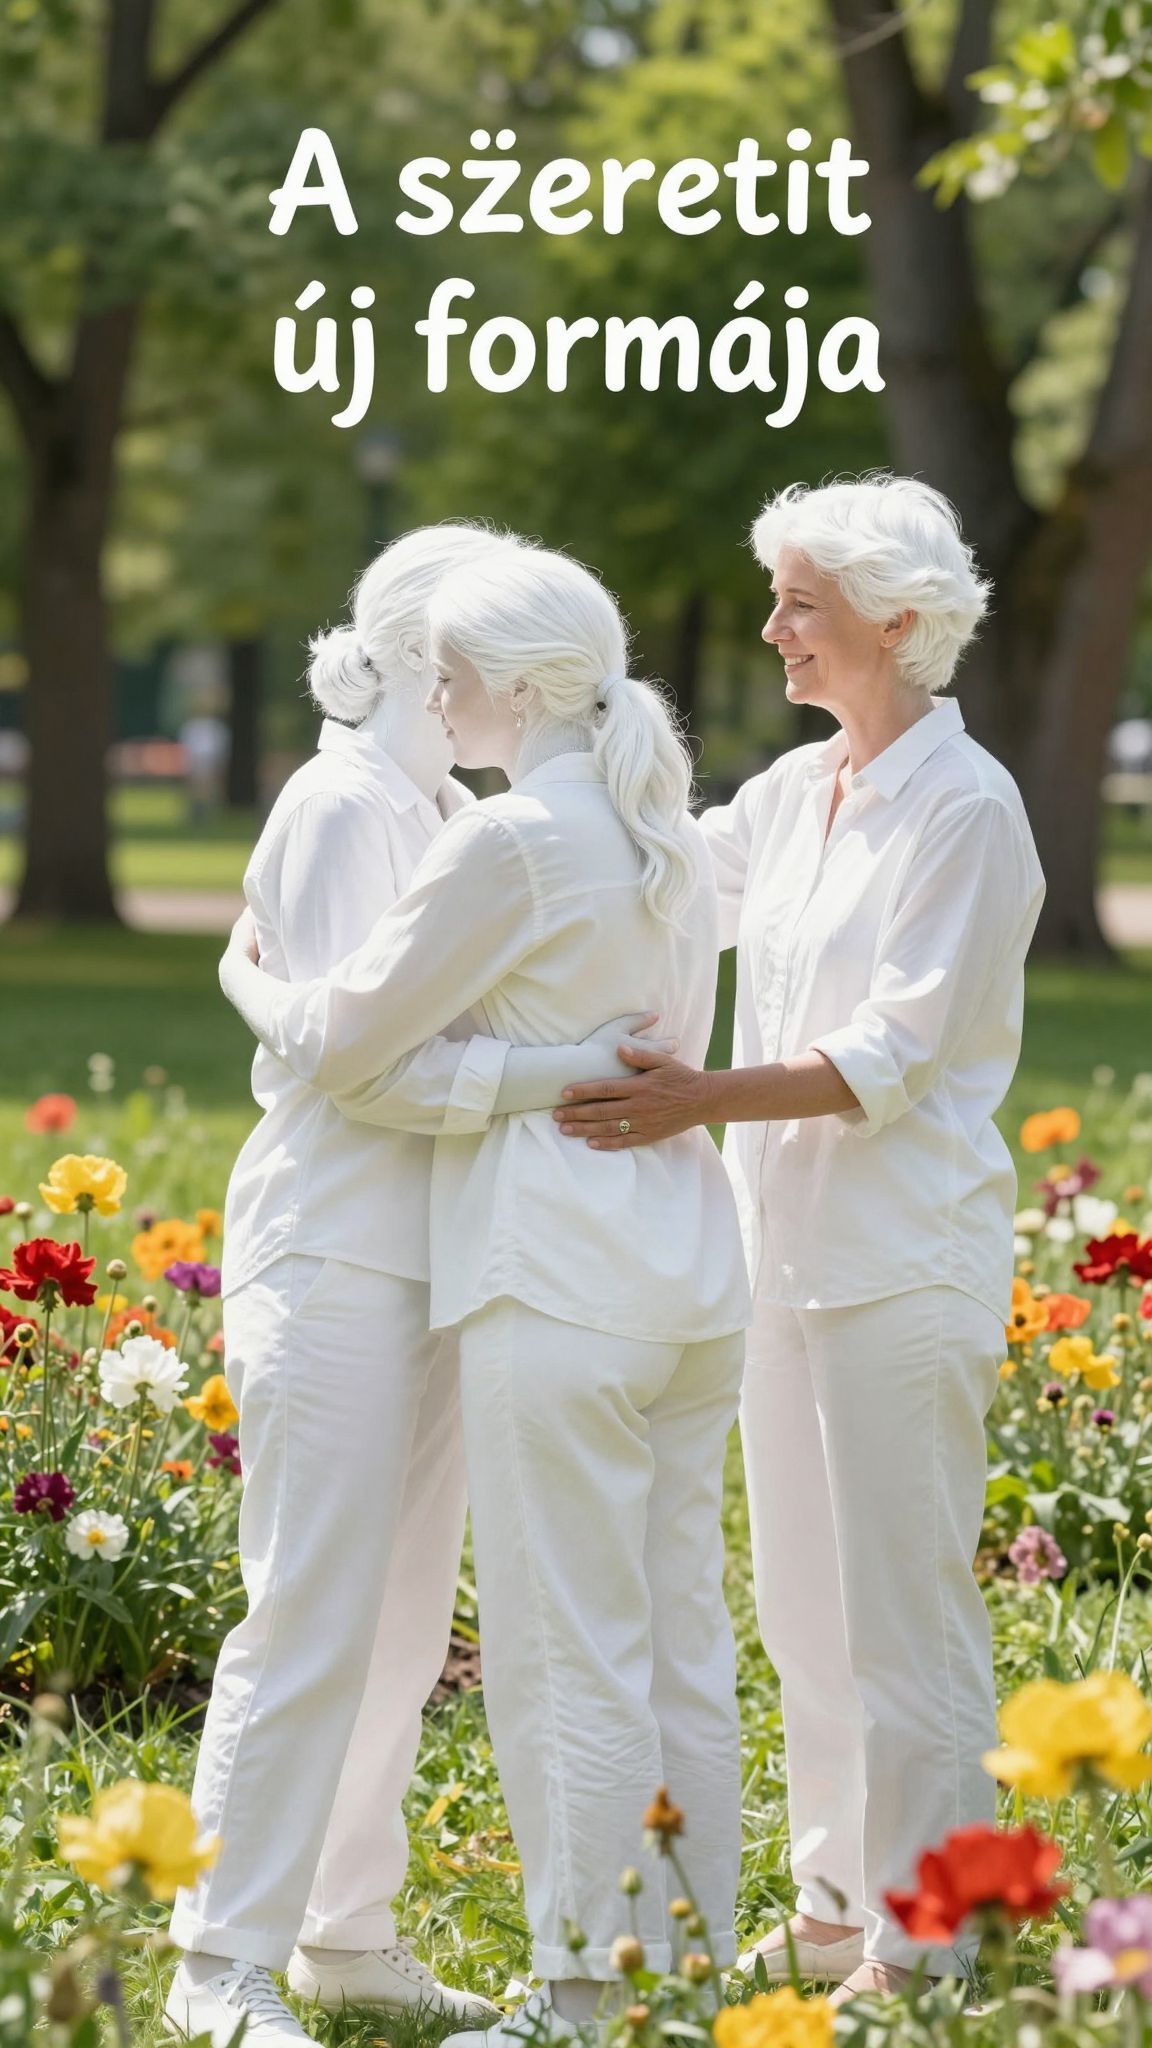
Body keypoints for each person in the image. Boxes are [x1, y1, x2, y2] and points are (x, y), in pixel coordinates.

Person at [218, 545, 752, 2048]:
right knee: (676, 1644)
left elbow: (340, 1046)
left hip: (551, 1274)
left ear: (518, 685)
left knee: (561, 1650)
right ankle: (679, 1975)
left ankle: (585, 1996)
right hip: (681, 1269)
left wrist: (244, 979)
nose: (429, 693)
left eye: (453, 673)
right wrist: (579, 1066)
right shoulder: (665, 830)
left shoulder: (505, 837)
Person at [552, 476, 1046, 2000]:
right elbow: (657, 889)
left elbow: (886, 1055)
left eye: (799, 604)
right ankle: (842, 1902)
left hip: (903, 1261)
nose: (774, 630)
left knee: (905, 1617)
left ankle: (944, 1934)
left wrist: (696, 1099)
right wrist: (495, 838)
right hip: (784, 1258)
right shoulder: (793, 790)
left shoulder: (968, 810)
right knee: (805, 1614)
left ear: (894, 621)